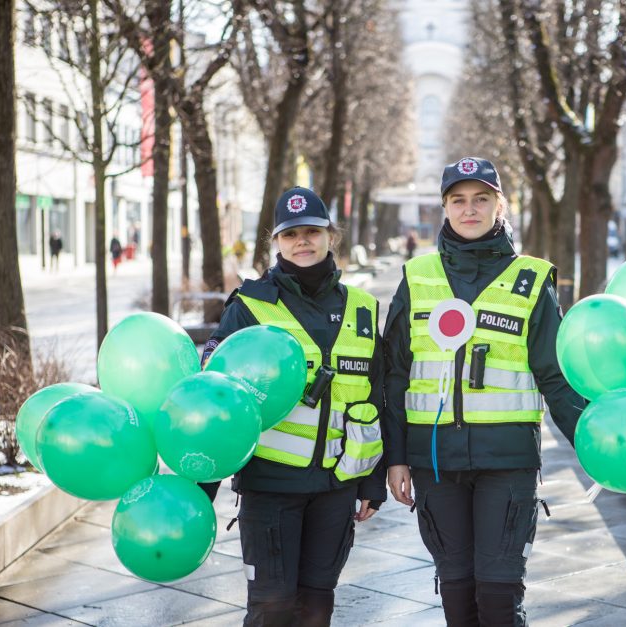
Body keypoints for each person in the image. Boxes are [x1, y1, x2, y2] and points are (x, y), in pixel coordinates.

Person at [383, 157, 585, 626]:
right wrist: (396, 457)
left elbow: (555, 375)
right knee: (457, 598)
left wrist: (594, 443)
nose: (469, 210)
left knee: (498, 598)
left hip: (507, 464)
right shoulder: (417, 277)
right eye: (459, 200)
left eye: (481, 199)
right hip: (435, 464)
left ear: (500, 205)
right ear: (445, 208)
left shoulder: (531, 281)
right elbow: (394, 374)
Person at [199, 186, 386, 627]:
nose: (302, 241)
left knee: (317, 607)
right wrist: (201, 490)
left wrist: (372, 480)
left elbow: (377, 397)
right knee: (271, 607)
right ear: (276, 242)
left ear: (329, 236)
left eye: (312, 231)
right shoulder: (249, 307)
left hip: (335, 488)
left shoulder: (362, 308)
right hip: (270, 486)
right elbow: (213, 398)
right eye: (290, 235)